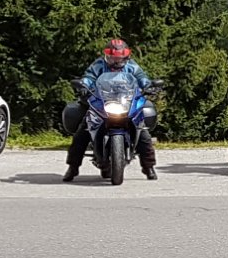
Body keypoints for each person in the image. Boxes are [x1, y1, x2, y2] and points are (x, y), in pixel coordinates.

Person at [65, 37, 159, 182]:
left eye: (119, 59)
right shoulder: (99, 65)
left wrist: (148, 86)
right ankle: (73, 167)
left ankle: (149, 167)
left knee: (143, 133)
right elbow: (89, 77)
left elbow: (142, 78)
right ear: (107, 56)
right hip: (102, 101)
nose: (116, 62)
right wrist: (83, 85)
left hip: (125, 101)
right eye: (113, 58)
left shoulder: (132, 66)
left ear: (126, 57)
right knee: (82, 132)